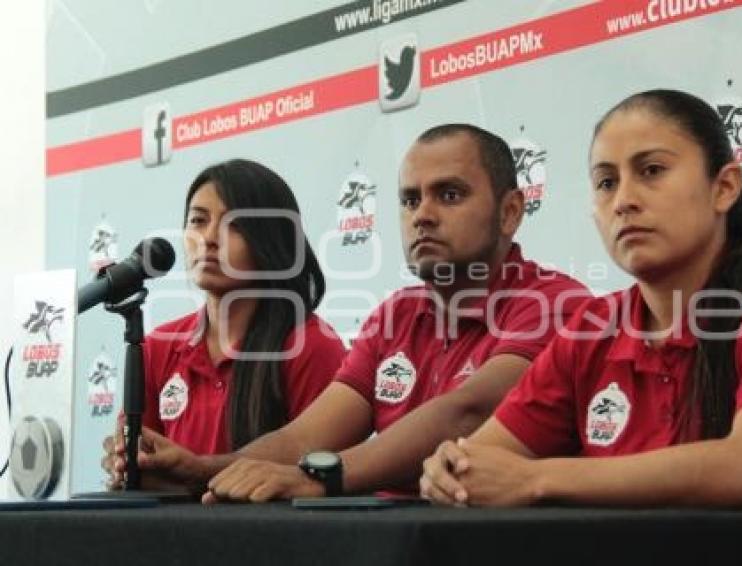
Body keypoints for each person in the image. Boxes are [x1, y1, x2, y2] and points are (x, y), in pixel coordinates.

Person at [420, 90, 742, 513]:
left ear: (724, 188)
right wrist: (448, 470)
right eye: (606, 182)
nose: (624, 201)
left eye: (652, 170)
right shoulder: (591, 328)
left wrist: (536, 479)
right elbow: (476, 461)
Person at [110, 124, 590, 501]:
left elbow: (467, 413)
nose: (422, 214)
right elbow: (305, 438)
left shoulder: (555, 302)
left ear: (509, 212)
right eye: (409, 199)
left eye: (448, 194)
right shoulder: (394, 315)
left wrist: (326, 477)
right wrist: (200, 471)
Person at [103, 159, 345, 487]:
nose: (208, 238)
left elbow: (323, 480)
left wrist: (192, 475)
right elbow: (145, 471)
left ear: (271, 239)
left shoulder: (312, 345)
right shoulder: (157, 346)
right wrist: (130, 465)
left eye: (235, 225)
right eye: (198, 221)